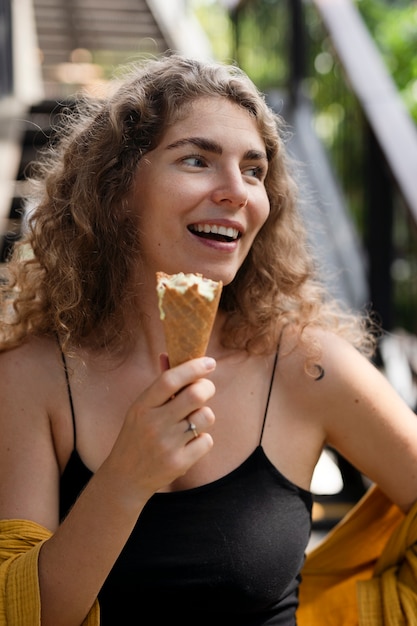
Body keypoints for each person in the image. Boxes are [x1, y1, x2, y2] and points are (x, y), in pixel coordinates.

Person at [0, 53, 416, 626]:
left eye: (254, 170)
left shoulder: (305, 364)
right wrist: (125, 478)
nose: (236, 192)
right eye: (197, 159)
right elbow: (25, 616)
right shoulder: (31, 377)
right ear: (117, 190)